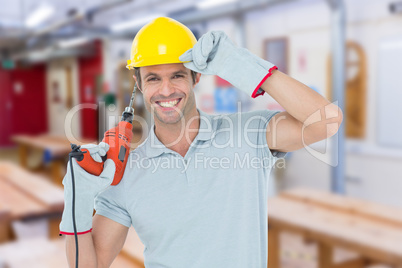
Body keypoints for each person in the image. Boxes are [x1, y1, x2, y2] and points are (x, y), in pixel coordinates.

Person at [59, 17, 343, 268]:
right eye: (153, 78)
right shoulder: (124, 173)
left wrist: (245, 66)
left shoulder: (248, 135)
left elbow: (326, 122)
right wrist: (77, 202)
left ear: (196, 76)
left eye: (177, 75)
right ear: (138, 82)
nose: (166, 90)